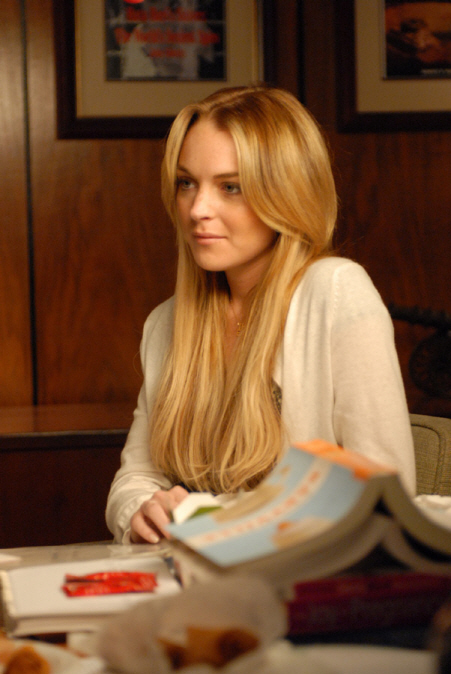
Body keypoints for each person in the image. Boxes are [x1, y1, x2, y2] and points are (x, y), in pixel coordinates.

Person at [106, 85, 416, 544]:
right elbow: (135, 479)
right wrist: (142, 513)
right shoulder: (165, 323)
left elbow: (387, 498)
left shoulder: (336, 292)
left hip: (310, 577)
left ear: (286, 194)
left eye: (230, 187)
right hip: (197, 573)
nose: (198, 209)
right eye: (187, 183)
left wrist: (209, 518)